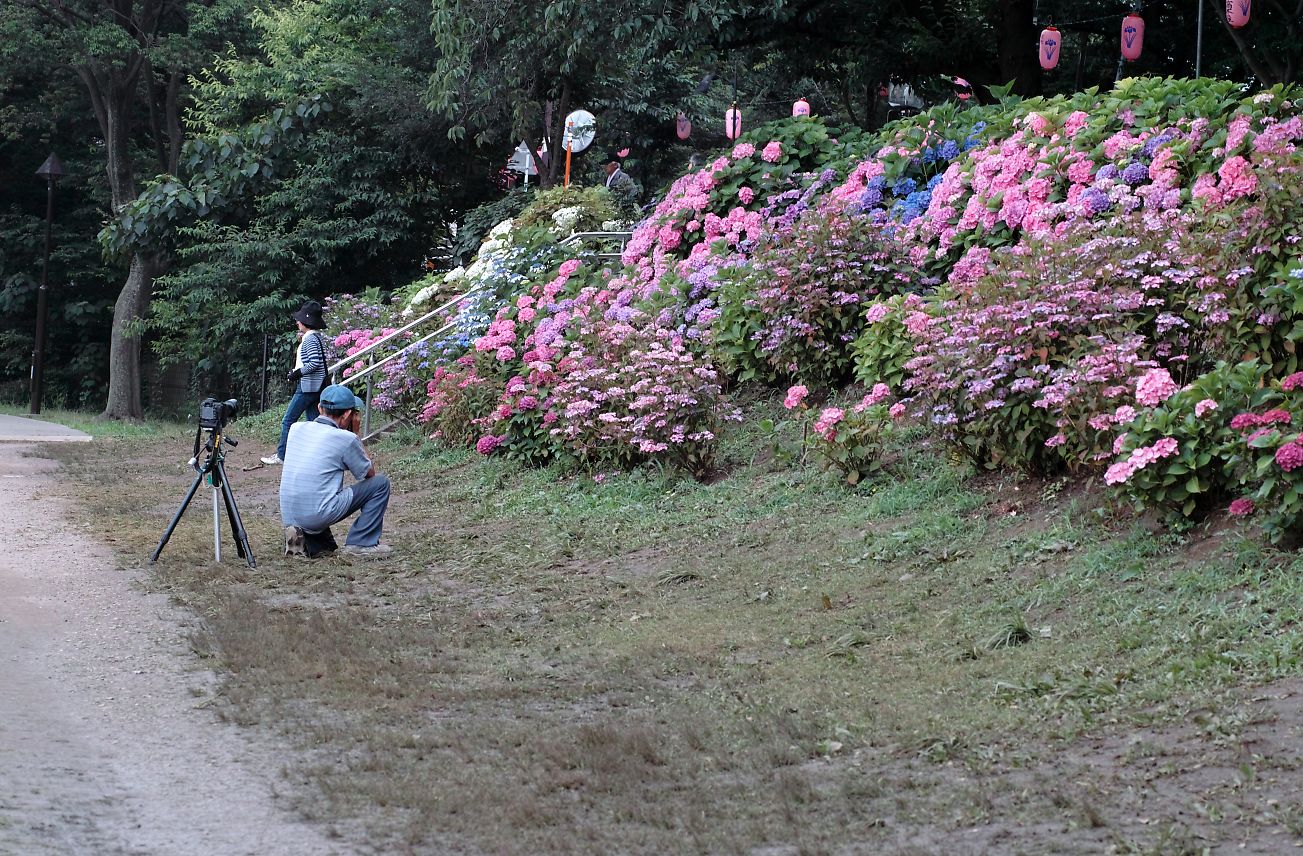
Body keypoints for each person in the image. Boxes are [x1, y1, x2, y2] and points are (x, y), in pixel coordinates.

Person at [280, 384, 393, 558]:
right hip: (318, 513)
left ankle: (304, 536)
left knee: (317, 489)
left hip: (290, 513)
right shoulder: (346, 438)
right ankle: (361, 542)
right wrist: (356, 434)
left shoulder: (296, 428)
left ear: (319, 408)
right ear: (347, 414)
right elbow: (369, 474)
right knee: (380, 484)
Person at [262, 300, 329, 466]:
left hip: (308, 387)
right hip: (316, 386)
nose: (297, 322)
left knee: (288, 420)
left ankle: (282, 455)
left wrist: (297, 373)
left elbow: (314, 363)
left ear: (306, 321)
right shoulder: (314, 337)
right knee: (315, 422)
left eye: (299, 319)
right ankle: (320, 455)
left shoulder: (311, 339)